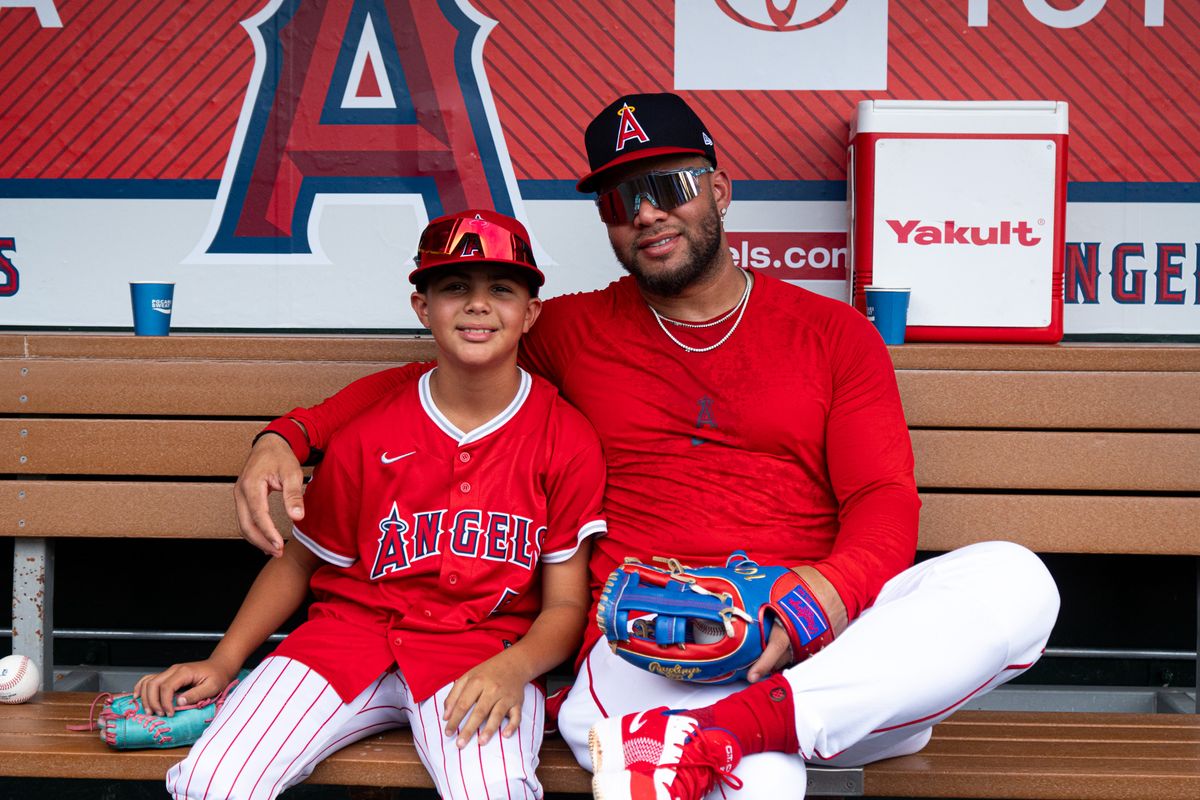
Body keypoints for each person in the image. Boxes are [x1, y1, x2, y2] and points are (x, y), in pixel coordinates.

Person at [234, 93, 1060, 799]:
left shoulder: (830, 332)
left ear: (720, 191)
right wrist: (290, 433)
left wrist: (813, 600)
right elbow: (452, 365)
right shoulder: (576, 329)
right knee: (763, 776)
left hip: (804, 631)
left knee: (1017, 580)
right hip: (654, 638)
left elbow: (882, 501)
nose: (648, 212)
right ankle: (791, 723)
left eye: (669, 185)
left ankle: (743, 725)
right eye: (622, 200)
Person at [136, 210, 607, 800]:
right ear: (421, 308)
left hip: (480, 657)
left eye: (502, 290)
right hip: (344, 641)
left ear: (531, 312)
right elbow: (300, 561)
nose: (478, 305)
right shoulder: (373, 425)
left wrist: (516, 670)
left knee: (493, 791)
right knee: (211, 782)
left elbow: (565, 603)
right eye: (454, 287)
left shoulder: (564, 435)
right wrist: (226, 661)